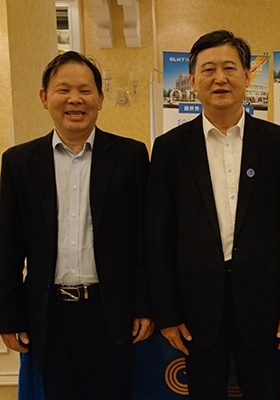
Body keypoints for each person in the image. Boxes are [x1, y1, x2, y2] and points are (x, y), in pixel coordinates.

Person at [145, 30, 280, 400]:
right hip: (196, 305)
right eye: (208, 70)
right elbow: (158, 236)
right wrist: (167, 313)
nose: (219, 78)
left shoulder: (278, 143)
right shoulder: (170, 148)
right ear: (192, 81)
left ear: (247, 76)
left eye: (229, 68)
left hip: (264, 302)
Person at [0, 51, 153, 400]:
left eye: (85, 90)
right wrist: (8, 316)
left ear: (100, 99)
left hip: (111, 312)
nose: (74, 99)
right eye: (63, 90)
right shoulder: (20, 162)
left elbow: (144, 240)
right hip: (49, 315)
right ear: (44, 97)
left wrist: (144, 305)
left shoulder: (130, 156)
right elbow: (8, 246)